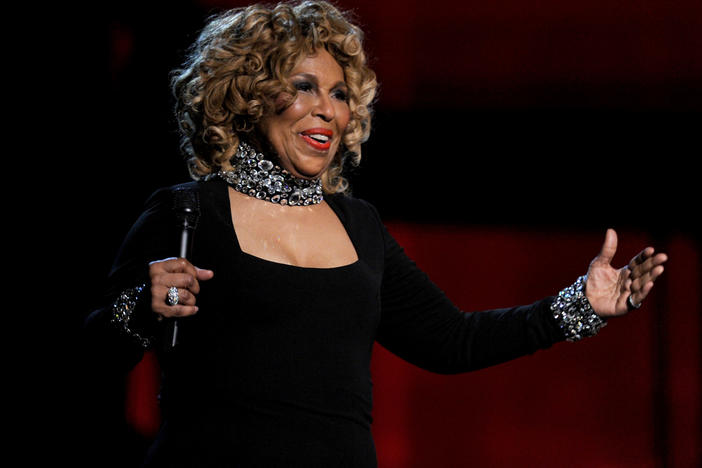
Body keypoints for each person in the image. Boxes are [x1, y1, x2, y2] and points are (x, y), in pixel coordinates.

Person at [84, 1, 668, 467]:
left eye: (339, 94)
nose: (328, 111)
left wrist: (578, 307)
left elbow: (452, 341)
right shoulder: (186, 214)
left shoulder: (358, 225)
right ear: (250, 97)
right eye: (305, 87)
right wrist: (138, 309)